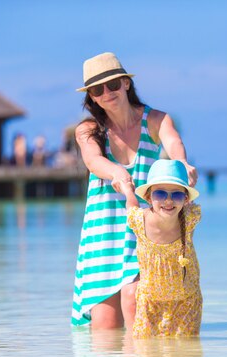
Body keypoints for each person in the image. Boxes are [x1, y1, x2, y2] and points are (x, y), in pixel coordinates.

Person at [71, 52, 198, 329]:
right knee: (106, 335)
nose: (107, 93)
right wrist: (116, 172)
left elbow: (173, 144)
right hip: (102, 233)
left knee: (140, 315)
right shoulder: (88, 129)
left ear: (126, 83)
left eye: (113, 84)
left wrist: (182, 165)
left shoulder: (156, 120)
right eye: (97, 89)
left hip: (145, 231)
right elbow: (93, 161)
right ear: (91, 96)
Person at [122, 159, 202, 338]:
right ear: (149, 197)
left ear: (186, 199)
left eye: (177, 195)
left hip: (186, 301)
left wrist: (189, 180)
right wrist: (128, 191)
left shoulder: (190, 218)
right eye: (160, 193)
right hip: (150, 303)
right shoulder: (139, 220)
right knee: (147, 356)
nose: (168, 200)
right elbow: (131, 206)